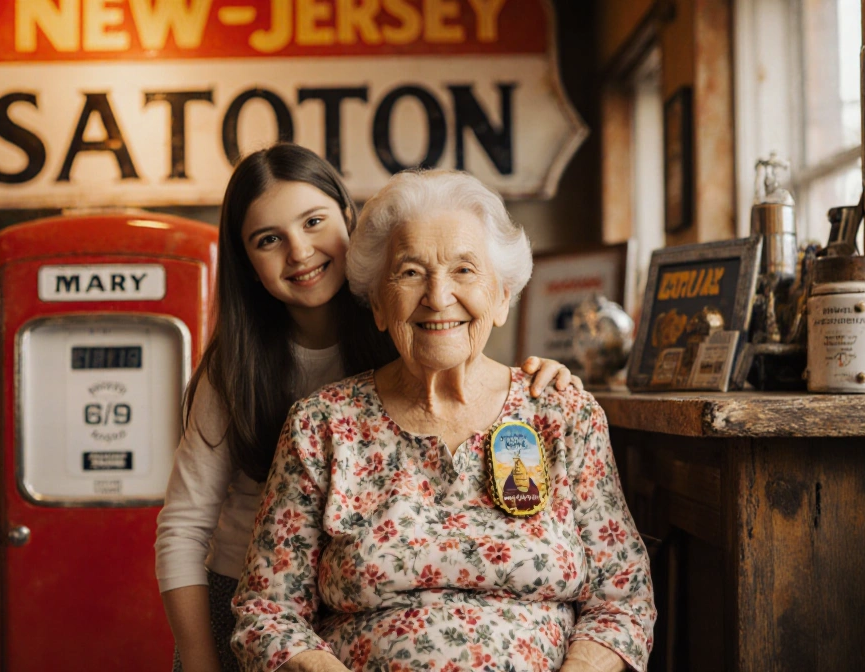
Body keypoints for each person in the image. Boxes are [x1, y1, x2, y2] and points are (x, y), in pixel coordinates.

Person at [154, 145, 582, 672]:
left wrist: (541, 376)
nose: (299, 251)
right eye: (269, 240)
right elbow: (184, 526)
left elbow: (468, 368)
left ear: (348, 220)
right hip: (246, 589)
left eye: (314, 222)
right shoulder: (235, 373)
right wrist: (199, 658)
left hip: (347, 596)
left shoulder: (409, 326)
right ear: (246, 262)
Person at [231, 169, 655, 672]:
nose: (437, 296)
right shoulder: (321, 426)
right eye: (409, 272)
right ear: (379, 306)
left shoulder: (562, 414)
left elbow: (623, 601)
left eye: (464, 271)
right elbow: (266, 612)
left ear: (501, 298)